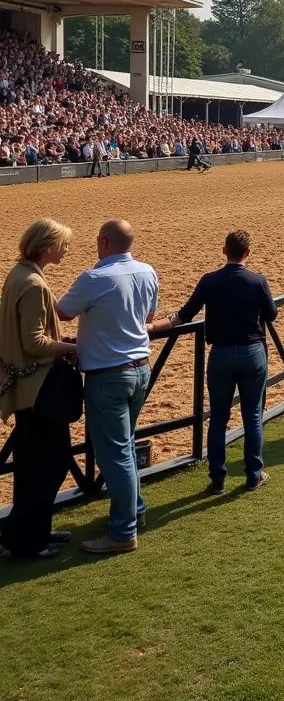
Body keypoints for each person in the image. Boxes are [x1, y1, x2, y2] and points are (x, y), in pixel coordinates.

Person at [57, 219, 159, 553]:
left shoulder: (94, 277)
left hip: (108, 375)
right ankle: (136, 511)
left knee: (113, 454)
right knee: (125, 445)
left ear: (103, 242)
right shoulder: (147, 271)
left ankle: (122, 532)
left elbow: (63, 312)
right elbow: (148, 317)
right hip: (141, 368)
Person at [148, 230, 276, 491]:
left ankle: (217, 478)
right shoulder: (257, 280)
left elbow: (184, 314)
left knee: (219, 417)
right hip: (252, 351)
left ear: (224, 251)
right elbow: (271, 315)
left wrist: (152, 327)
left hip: (221, 354)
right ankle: (254, 474)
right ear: (248, 253)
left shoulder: (210, 280)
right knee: (252, 416)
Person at [0, 219, 78, 560]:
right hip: (38, 387)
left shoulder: (20, 274)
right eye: (63, 244)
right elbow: (35, 343)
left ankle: (31, 532)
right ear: (47, 246)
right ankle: (30, 540)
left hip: (25, 386)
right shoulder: (32, 283)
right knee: (49, 463)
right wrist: (72, 348)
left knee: (34, 463)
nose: (66, 249)